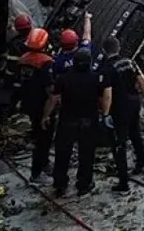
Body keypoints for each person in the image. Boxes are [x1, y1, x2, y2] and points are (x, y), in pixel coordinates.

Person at [43, 48, 112, 197]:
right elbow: (105, 97)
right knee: (86, 155)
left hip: (67, 120)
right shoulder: (96, 78)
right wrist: (105, 114)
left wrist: (46, 116)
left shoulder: (63, 78)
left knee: (62, 153)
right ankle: (83, 185)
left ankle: (60, 184)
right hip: (89, 121)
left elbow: (53, 99)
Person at [104, 37, 144, 193]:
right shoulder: (129, 62)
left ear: (104, 51)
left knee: (119, 144)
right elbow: (142, 79)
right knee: (135, 133)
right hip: (134, 103)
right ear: (119, 48)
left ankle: (123, 183)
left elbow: (107, 94)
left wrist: (105, 114)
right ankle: (142, 163)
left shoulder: (107, 68)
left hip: (120, 108)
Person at [18, 28, 55, 185]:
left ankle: (44, 163)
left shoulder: (23, 59)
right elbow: (51, 91)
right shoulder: (46, 63)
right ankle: (36, 173)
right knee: (43, 140)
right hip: (42, 105)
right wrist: (47, 114)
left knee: (39, 135)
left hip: (29, 104)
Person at [52, 13, 94, 80]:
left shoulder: (58, 61)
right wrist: (87, 18)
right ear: (76, 42)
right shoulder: (84, 49)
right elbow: (87, 33)